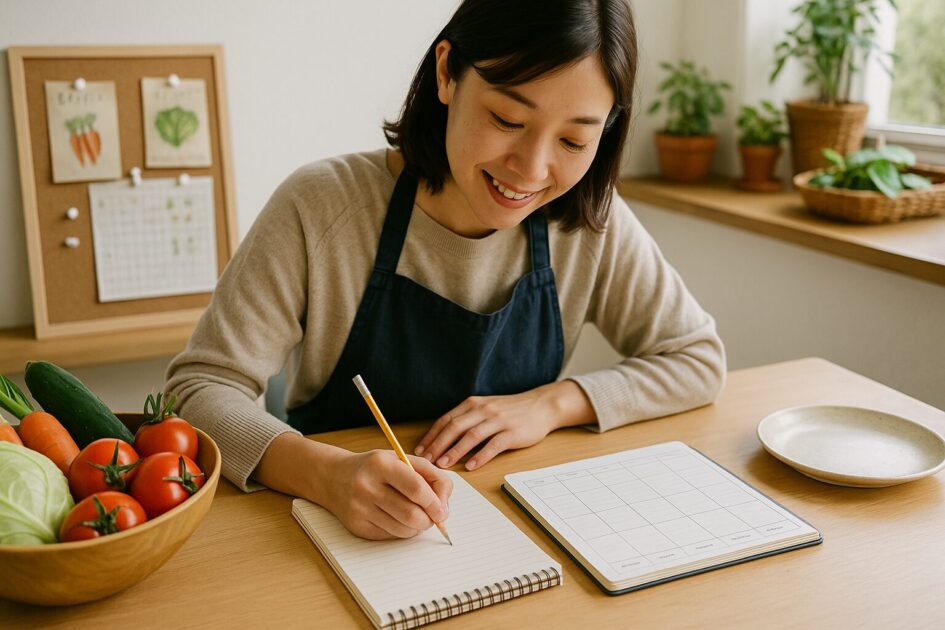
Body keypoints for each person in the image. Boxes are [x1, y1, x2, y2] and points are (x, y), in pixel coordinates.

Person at [166, 0, 725, 542]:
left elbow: (696, 358)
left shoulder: (588, 224)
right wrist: (326, 474)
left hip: (509, 532)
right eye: (508, 118)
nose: (532, 169)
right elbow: (197, 391)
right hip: (331, 535)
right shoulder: (321, 207)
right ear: (447, 73)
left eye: (574, 140)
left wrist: (551, 404)